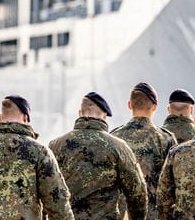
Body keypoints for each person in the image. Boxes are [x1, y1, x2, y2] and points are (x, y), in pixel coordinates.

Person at [49, 92, 147, 220]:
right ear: (105, 116)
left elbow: (46, 191)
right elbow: (137, 193)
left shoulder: (55, 145)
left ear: (80, 113)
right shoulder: (118, 147)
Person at [112, 82, 176, 219]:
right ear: (154, 107)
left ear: (129, 105)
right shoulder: (166, 139)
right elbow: (172, 183)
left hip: (122, 214)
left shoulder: (114, 137)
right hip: (154, 214)